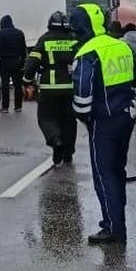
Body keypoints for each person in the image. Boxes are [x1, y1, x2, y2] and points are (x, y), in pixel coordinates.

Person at [70, 3, 136, 245]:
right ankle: (117, 223)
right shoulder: (121, 46)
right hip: (125, 119)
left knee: (104, 176)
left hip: (102, 123)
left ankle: (112, 228)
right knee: (117, 172)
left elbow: (82, 100)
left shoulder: (88, 53)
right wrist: (134, 111)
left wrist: (86, 119)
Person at [23, 11, 80, 165]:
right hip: (70, 87)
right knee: (69, 121)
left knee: (46, 118)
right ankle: (68, 153)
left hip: (49, 88)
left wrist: (27, 80)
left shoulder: (45, 39)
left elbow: (32, 62)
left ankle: (56, 141)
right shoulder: (74, 40)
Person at [0, 14, 27, 112]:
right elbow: (23, 49)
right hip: (17, 61)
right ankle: (18, 106)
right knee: (17, 85)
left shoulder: (0, 33)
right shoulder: (19, 33)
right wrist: (23, 62)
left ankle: (5, 107)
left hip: (5, 62)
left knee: (5, 85)